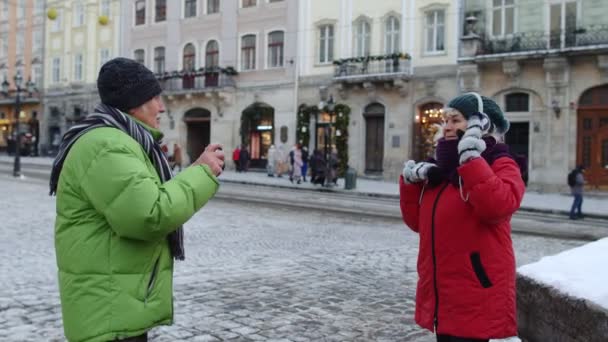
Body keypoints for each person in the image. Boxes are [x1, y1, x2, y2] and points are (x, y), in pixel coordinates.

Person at [49, 57, 225, 342]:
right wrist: (203, 173)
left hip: (115, 303)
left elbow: (143, 198)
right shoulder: (106, 145)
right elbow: (149, 214)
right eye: (154, 97)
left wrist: (193, 171)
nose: (161, 106)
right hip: (109, 314)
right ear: (134, 103)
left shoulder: (120, 141)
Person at [399, 93, 526, 342]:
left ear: (482, 124)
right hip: (443, 289)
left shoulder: (500, 162)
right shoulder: (439, 168)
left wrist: (471, 159)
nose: (446, 126)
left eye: (455, 120)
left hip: (475, 288)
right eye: (445, 120)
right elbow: (417, 223)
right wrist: (411, 183)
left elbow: (498, 207)